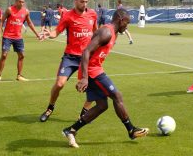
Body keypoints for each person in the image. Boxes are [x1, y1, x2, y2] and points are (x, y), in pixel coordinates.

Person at [61, 9, 149, 148]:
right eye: (127, 23)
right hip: (91, 72)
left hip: (95, 70)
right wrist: (84, 78)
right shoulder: (106, 32)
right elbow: (86, 52)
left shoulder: (113, 34)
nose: (127, 26)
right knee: (117, 95)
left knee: (102, 106)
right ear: (120, 19)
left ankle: (71, 130)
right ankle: (131, 130)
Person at [39, 0, 97, 122]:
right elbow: (57, 32)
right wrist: (49, 34)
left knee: (94, 86)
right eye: (82, 1)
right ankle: (50, 108)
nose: (84, 4)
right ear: (75, 1)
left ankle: (84, 113)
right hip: (70, 57)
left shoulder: (92, 14)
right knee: (59, 84)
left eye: (86, 1)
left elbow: (95, 33)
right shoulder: (67, 16)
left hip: (87, 58)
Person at [0, 0, 42, 83]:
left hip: (18, 37)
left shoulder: (26, 11)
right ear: (16, 1)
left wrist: (37, 34)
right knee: (4, 55)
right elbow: (2, 20)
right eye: (20, 2)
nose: (21, 3)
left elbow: (30, 23)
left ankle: (19, 76)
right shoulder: (9, 9)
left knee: (21, 56)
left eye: (23, 2)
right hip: (7, 36)